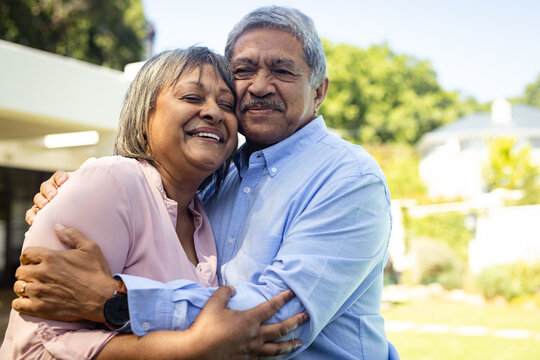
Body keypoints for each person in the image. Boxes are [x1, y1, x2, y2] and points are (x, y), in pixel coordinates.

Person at [17, 6, 397, 359]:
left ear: (318, 92)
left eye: (282, 71)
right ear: (144, 112)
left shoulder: (349, 179)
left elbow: (276, 322)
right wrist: (79, 191)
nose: (260, 86)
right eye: (244, 71)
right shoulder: (213, 182)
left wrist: (116, 300)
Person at [1, 46, 306, 359]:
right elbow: (33, 349)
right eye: (191, 97)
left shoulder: (205, 214)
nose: (214, 112)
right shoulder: (114, 182)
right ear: (143, 116)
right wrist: (189, 349)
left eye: (226, 104)